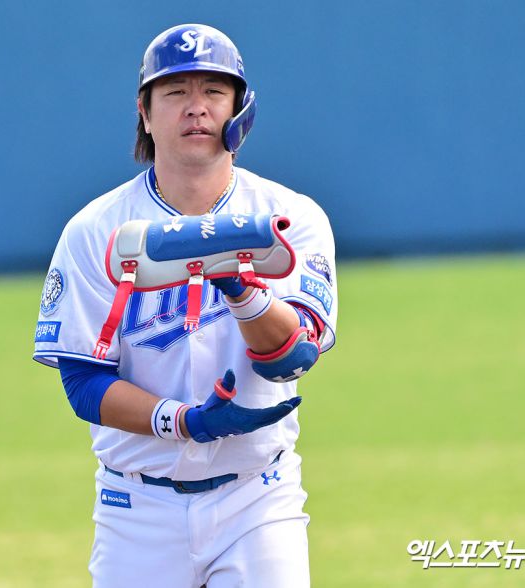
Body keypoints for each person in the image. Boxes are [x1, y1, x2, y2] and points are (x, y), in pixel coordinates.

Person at [33, 23, 338, 587]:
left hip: (258, 500)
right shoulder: (95, 231)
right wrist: (185, 423)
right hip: (136, 509)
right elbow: (82, 381)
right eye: (175, 92)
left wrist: (241, 289)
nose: (196, 107)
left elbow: (293, 357)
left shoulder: (291, 218)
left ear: (240, 111)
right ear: (145, 114)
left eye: (214, 91)